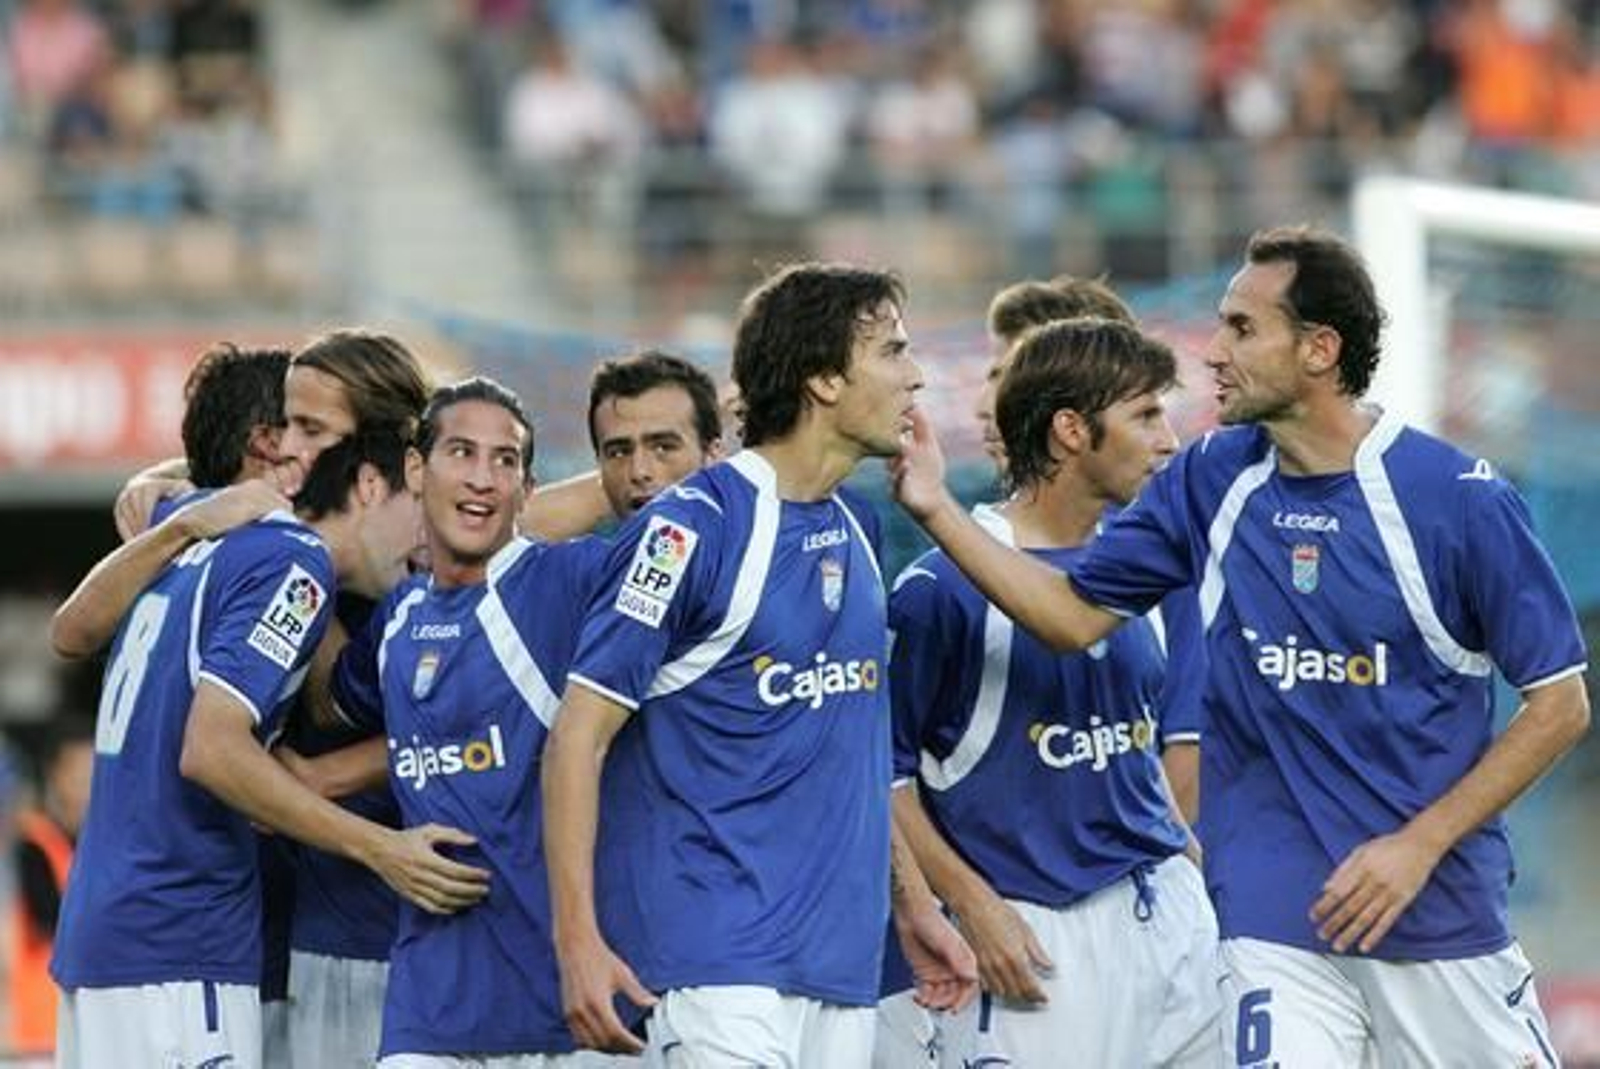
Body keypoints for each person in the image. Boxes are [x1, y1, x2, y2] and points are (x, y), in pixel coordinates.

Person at [891, 225, 1591, 1066]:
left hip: (1435, 913)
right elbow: (1072, 616)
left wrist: (1419, 843)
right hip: (1270, 916)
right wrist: (935, 508)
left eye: (1242, 329)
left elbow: (1559, 704)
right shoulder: (1210, 478)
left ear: (1320, 349)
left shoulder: (1456, 498)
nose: (1213, 353)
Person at [544, 262, 976, 1066]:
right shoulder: (691, 529)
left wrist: (912, 904)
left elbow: (846, 747)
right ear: (821, 376)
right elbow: (578, 737)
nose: (915, 374)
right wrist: (576, 940)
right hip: (715, 968)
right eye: (892, 350)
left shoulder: (857, 525)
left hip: (839, 967)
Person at [49, 427, 489, 1069]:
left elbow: (70, 630)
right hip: (179, 946)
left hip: (103, 945)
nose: (430, 540)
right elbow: (212, 750)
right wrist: (382, 850)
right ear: (369, 484)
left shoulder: (200, 536)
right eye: (420, 508)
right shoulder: (294, 559)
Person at [890, 318, 1221, 1067]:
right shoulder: (939, 592)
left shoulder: (1149, 570)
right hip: (1036, 943)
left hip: (1169, 918)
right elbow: (885, 775)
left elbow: (1139, 744)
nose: (1168, 440)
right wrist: (970, 903)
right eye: (1145, 414)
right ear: (1072, 430)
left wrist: (1190, 868)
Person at [326, 378, 628, 1064]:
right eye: (461, 451)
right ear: (414, 469)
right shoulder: (398, 617)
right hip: (427, 1013)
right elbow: (328, 706)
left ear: (526, 488)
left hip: (563, 1012)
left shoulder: (567, 579)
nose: (482, 478)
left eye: (505, 461)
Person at [975, 274, 1204, 825]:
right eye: (993, 375)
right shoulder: (961, 563)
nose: (988, 404)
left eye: (1010, 376)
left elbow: (1189, 750)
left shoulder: (1163, 554)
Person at [9, 719, 93, 1059]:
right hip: (41, 1038)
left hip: (82, 1031)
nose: (88, 790)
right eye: (78, 777)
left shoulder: (92, 845)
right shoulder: (33, 843)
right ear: (55, 775)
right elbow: (48, 918)